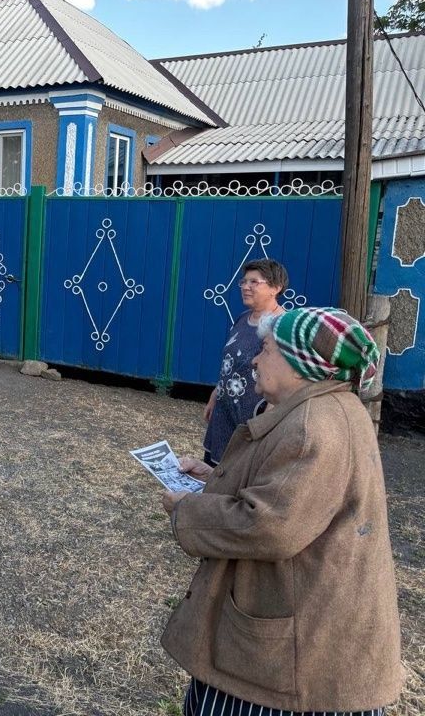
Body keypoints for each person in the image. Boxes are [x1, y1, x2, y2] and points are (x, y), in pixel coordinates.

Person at [160, 307, 403, 715]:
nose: (256, 359)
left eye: (267, 349)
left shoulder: (312, 426)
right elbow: (293, 494)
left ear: (300, 364)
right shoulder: (330, 409)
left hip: (292, 666)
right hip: (307, 642)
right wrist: (215, 477)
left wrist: (187, 509)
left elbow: (269, 526)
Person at [202, 258, 287, 466]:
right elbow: (230, 362)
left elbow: (284, 377)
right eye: (244, 282)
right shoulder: (242, 319)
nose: (245, 287)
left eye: (254, 282)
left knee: (237, 472)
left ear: (275, 288)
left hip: (251, 418)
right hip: (225, 413)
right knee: (213, 471)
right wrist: (216, 393)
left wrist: (267, 419)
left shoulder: (282, 326)